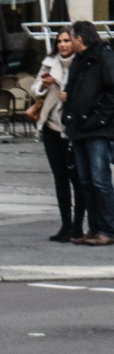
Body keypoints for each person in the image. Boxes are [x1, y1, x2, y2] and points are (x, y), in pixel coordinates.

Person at [60, 21, 114, 245]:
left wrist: (99, 119)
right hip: (79, 129)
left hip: (97, 129)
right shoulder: (79, 61)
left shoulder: (103, 57)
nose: (68, 42)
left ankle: (108, 230)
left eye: (70, 38)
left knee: (100, 180)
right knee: (87, 181)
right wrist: (69, 118)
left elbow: (112, 91)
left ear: (79, 39)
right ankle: (94, 228)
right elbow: (73, 91)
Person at [31, 28, 86, 242]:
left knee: (78, 178)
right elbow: (34, 90)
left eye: (67, 40)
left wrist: (68, 94)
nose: (63, 45)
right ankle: (66, 224)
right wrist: (43, 86)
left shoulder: (83, 63)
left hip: (73, 128)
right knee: (60, 177)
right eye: (60, 41)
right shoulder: (49, 62)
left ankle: (78, 226)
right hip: (52, 126)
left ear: (75, 42)